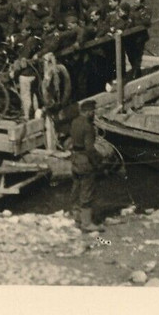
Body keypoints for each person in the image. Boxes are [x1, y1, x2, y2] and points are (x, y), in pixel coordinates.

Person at [68, 98, 104, 232]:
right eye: (93, 111)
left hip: (75, 159)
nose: (94, 113)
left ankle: (77, 219)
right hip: (85, 162)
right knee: (87, 191)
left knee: (76, 188)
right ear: (88, 112)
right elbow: (89, 149)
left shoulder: (74, 122)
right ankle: (87, 223)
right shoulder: (88, 127)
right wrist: (98, 160)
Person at [124, 0, 152, 80]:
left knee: (138, 55)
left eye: (137, 3)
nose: (135, 5)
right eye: (134, 2)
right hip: (131, 37)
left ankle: (136, 72)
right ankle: (135, 69)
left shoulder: (146, 10)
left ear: (142, 3)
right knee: (130, 54)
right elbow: (128, 20)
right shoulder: (131, 9)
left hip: (140, 37)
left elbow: (146, 21)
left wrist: (134, 22)